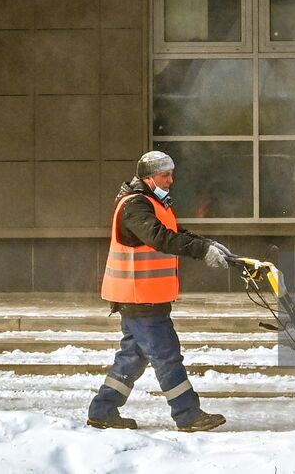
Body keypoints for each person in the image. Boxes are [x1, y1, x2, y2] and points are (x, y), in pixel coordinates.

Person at [86, 150, 232, 432]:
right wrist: (202, 251)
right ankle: (188, 415)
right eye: (165, 175)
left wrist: (208, 244)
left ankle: (103, 410)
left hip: (145, 297)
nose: (171, 180)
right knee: (167, 355)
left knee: (132, 357)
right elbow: (160, 237)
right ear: (149, 177)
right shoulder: (135, 206)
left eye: (171, 174)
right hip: (140, 298)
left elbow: (175, 232)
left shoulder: (154, 204)